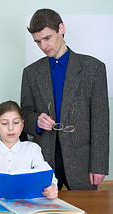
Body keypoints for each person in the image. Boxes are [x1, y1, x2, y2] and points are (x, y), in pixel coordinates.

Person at [21, 9, 109, 190]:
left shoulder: (94, 68)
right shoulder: (30, 73)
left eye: (47, 38)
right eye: (38, 41)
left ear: (61, 28)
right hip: (43, 158)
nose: (43, 46)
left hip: (82, 160)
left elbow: (100, 121)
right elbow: (24, 114)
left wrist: (99, 165)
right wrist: (36, 121)